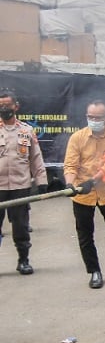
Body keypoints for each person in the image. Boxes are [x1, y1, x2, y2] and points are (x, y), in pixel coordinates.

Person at [63, 99, 105, 289]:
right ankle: (94, 271)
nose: (93, 120)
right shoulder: (77, 137)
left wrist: (92, 182)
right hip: (82, 194)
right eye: (90, 117)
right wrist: (70, 184)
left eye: (97, 117)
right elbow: (71, 164)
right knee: (85, 235)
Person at [0, 90, 48, 275]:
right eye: (0, 105)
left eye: (7, 105)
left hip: (20, 186)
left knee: (20, 226)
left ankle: (23, 260)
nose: (4, 108)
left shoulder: (26, 131)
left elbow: (36, 158)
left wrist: (41, 180)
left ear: (16, 106)